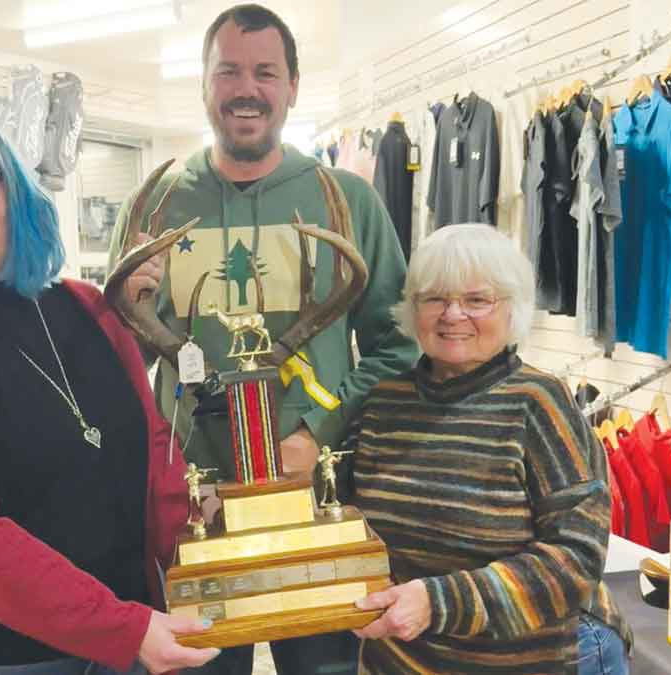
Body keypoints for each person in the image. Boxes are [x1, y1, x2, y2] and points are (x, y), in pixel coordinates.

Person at [111, 5, 418, 674]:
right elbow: (116, 364)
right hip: (194, 517)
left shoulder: (349, 202)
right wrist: (127, 309)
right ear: (203, 84)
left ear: (293, 87)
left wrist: (319, 428)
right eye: (227, 70)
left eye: (265, 72)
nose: (245, 88)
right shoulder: (158, 204)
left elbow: (399, 347)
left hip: (313, 514)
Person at [0, 116, 220, 675]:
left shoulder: (88, 307)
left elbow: (152, 460)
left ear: (18, 194)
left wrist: (222, 561)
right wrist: (123, 627)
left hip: (128, 637)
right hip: (0, 658)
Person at [349, 224, 632, 675]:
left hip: (532, 656)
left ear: (512, 310)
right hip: (408, 656)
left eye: (477, 300)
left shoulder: (537, 402)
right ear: (412, 308)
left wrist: (438, 602)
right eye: (435, 297)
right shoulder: (386, 401)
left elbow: (577, 556)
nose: (453, 314)